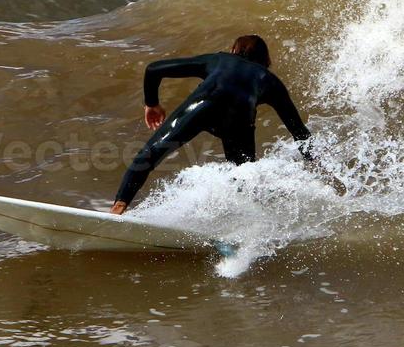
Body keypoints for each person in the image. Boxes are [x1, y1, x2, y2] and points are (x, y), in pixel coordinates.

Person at [110, 34, 311, 214]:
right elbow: (298, 131)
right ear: (265, 60)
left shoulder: (221, 59)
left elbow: (153, 69)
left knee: (149, 155)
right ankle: (246, 226)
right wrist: (317, 163)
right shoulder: (271, 81)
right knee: (243, 175)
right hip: (239, 119)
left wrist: (151, 103)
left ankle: (119, 207)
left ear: (235, 50)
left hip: (204, 106)